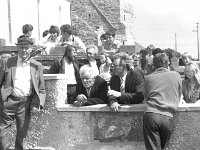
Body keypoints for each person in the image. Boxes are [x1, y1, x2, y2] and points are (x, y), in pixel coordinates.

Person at [0, 36, 46, 150]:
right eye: (21, 47)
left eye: (26, 47)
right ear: (17, 48)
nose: (24, 50)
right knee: (2, 135)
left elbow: (41, 89)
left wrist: (38, 104)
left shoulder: (37, 66)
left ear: (31, 49)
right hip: (8, 101)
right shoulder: (7, 62)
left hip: (25, 104)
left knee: (22, 136)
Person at [143, 53, 182, 150]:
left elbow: (146, 98)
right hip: (168, 117)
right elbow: (179, 95)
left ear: (154, 65)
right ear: (167, 63)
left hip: (151, 115)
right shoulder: (176, 75)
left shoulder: (148, 78)